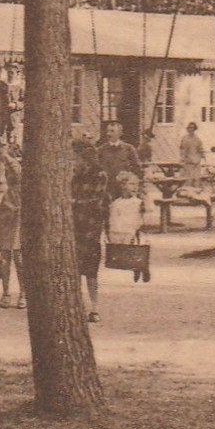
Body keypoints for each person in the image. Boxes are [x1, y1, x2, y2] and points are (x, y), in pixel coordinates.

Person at [71, 139, 108, 322]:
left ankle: (94, 308)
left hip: (91, 228)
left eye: (75, 157)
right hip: (75, 227)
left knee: (91, 271)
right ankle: (78, 306)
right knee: (74, 269)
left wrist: (73, 203)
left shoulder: (99, 174)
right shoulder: (75, 175)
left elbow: (96, 201)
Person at [0, 138, 26, 309]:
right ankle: (6, 292)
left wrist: (7, 158)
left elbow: (18, 173)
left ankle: (23, 293)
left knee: (19, 257)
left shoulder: (17, 171)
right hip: (3, 217)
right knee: (4, 257)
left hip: (17, 216)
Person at [107, 170, 151, 283]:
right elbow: (114, 218)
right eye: (131, 184)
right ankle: (136, 266)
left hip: (134, 229)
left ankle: (143, 267)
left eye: (137, 184)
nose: (135, 187)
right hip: (120, 229)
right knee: (124, 252)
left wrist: (145, 200)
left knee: (137, 249)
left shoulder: (138, 202)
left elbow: (146, 212)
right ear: (122, 186)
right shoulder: (116, 202)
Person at [96, 121, 142, 202]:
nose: (109, 134)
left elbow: (137, 168)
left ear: (120, 133)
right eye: (108, 131)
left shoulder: (129, 149)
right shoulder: (101, 150)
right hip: (108, 189)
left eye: (112, 131)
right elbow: (96, 168)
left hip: (124, 189)